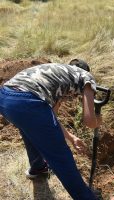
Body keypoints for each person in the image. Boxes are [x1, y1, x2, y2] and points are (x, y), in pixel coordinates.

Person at [0, 59, 101, 200]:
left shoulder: (58, 74)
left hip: (5, 98)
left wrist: (71, 137)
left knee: (31, 131)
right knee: (61, 157)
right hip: (28, 101)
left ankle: (38, 168)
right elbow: (89, 121)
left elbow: (50, 117)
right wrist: (98, 120)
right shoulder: (86, 77)